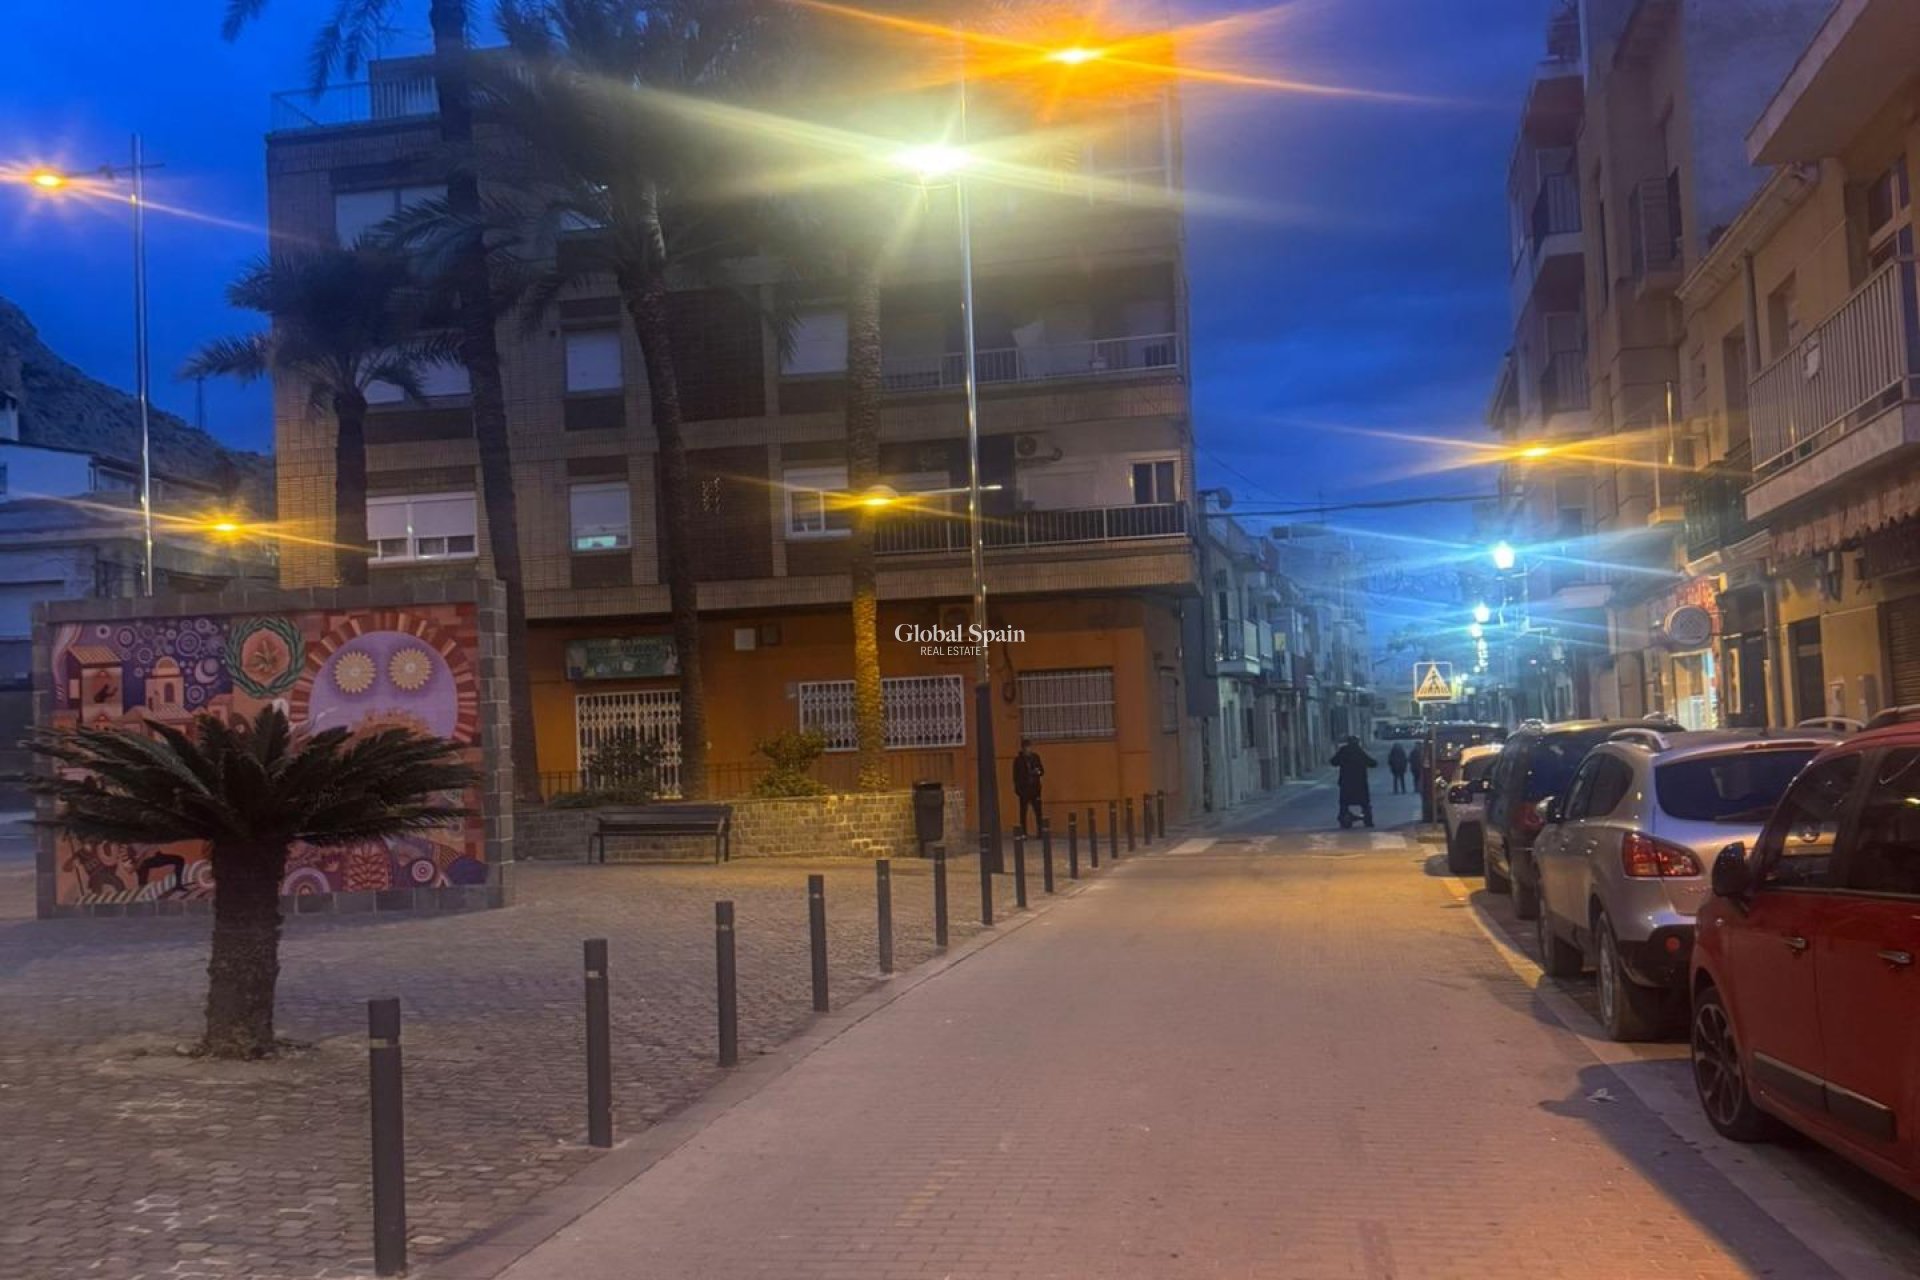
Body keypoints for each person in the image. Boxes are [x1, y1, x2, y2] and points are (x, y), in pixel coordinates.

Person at [1330, 736, 1377, 829]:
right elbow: (1372, 763)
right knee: (1365, 803)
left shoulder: (1343, 751)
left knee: (1344, 803)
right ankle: (1368, 820)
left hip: (1346, 784)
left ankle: (1343, 817)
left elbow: (1333, 762)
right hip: (1360, 784)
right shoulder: (1359, 751)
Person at [1012, 738, 1045, 836]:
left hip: (1035, 789)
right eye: (1027, 748)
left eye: (1030, 747)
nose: (1029, 749)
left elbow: (1042, 771)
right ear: (1023, 748)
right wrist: (1018, 789)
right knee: (1023, 812)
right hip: (1024, 790)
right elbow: (1015, 776)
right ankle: (1024, 833)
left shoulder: (1035, 757)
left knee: (1038, 811)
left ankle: (1040, 832)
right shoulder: (1018, 760)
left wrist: (1037, 772)